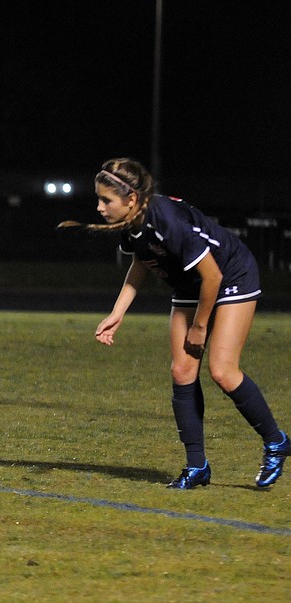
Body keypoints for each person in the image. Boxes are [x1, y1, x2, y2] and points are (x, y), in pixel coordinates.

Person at [60, 157, 289, 489]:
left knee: (222, 370)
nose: (99, 207)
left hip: (229, 274)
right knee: (182, 371)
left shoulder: (168, 221)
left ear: (131, 199)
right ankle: (197, 468)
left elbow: (212, 277)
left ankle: (276, 440)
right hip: (189, 283)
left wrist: (199, 326)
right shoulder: (130, 222)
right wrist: (117, 312)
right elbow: (141, 262)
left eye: (105, 200)